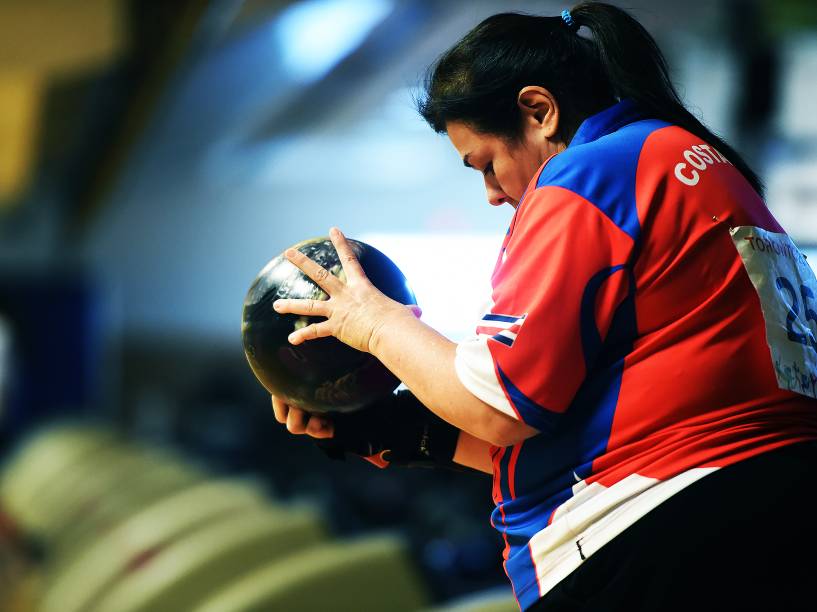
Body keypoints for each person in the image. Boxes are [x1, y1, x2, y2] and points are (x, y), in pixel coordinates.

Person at [271, 3, 817, 610]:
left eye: (485, 164)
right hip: (748, 509)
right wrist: (384, 428)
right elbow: (585, 427)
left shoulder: (590, 175)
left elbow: (500, 405)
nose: (492, 193)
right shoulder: (687, 161)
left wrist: (373, 323)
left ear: (538, 110)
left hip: (660, 530)